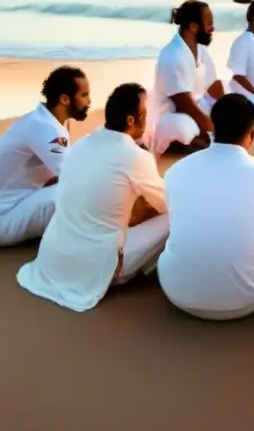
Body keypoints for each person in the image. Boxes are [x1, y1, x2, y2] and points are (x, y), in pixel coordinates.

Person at [15, 83, 170, 312]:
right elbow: (167, 202)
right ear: (130, 120)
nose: (146, 120)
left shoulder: (81, 145)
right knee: (177, 214)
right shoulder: (135, 157)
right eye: (144, 114)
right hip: (96, 268)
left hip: (53, 260)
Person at [157, 94, 254, 319]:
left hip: (176, 292)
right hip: (241, 300)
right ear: (252, 133)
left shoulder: (177, 170)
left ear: (213, 127)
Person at [0, 65, 90, 246]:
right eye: (84, 95)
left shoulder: (44, 121)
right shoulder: (47, 130)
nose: (89, 101)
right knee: (83, 194)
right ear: (65, 99)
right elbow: (76, 178)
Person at [147, 0, 224, 156]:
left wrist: (229, 109)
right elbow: (184, 104)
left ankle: (201, 136)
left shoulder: (200, 49)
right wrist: (212, 129)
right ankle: (187, 142)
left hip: (197, 105)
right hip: (171, 114)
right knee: (184, 127)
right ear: (193, 27)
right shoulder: (173, 55)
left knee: (229, 96)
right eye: (209, 23)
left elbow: (214, 85)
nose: (213, 28)